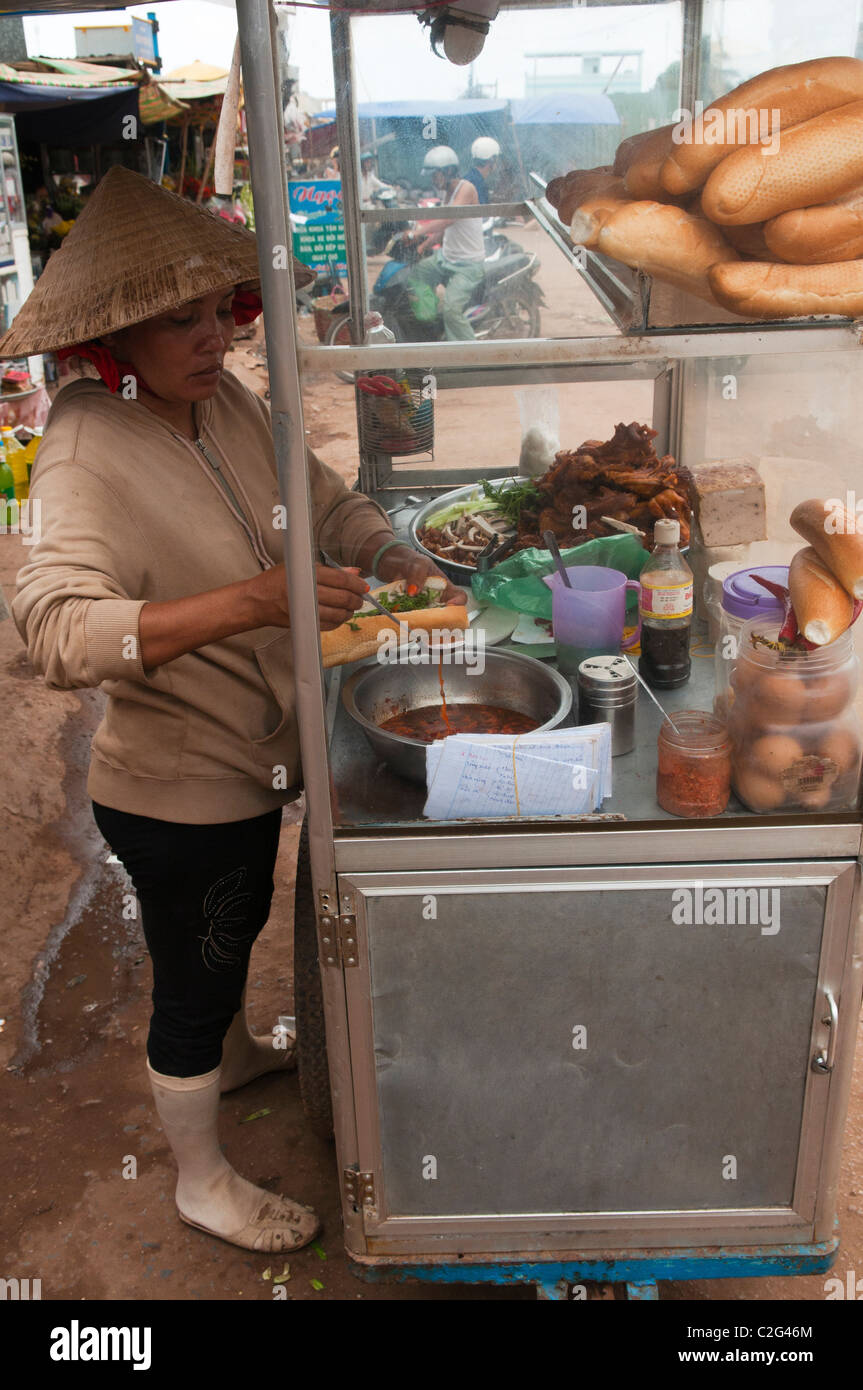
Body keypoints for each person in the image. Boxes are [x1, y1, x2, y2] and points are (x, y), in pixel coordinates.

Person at [3, 166, 465, 1255]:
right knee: (195, 977)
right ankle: (200, 1179)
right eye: (181, 320)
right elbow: (56, 630)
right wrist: (258, 599)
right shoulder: (82, 446)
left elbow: (325, 501)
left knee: (236, 925)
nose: (215, 337)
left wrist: (392, 549)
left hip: (258, 758)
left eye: (220, 310)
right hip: (175, 789)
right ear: (113, 338)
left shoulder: (224, 401)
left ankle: (246, 1046)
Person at [411, 137, 500, 341]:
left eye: (436, 175)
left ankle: (471, 356)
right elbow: (446, 229)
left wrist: (416, 233)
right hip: (446, 259)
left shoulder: (466, 188)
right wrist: (423, 245)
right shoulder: (448, 192)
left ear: (449, 171)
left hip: (467, 266)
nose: (433, 180)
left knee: (452, 310)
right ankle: (432, 327)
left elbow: (448, 218)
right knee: (418, 274)